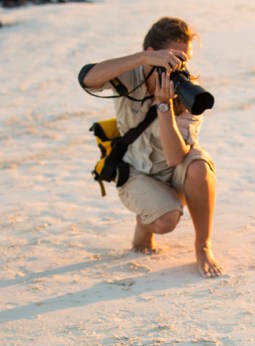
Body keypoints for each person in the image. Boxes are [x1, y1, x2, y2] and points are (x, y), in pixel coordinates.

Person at [78, 17, 222, 278]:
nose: (179, 66)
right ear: (153, 53)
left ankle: (203, 247)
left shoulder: (189, 93)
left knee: (200, 166)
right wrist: (141, 59)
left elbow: (175, 157)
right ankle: (147, 220)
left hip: (175, 168)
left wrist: (165, 106)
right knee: (166, 221)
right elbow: (87, 78)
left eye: (185, 59)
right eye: (174, 57)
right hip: (137, 170)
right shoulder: (128, 73)